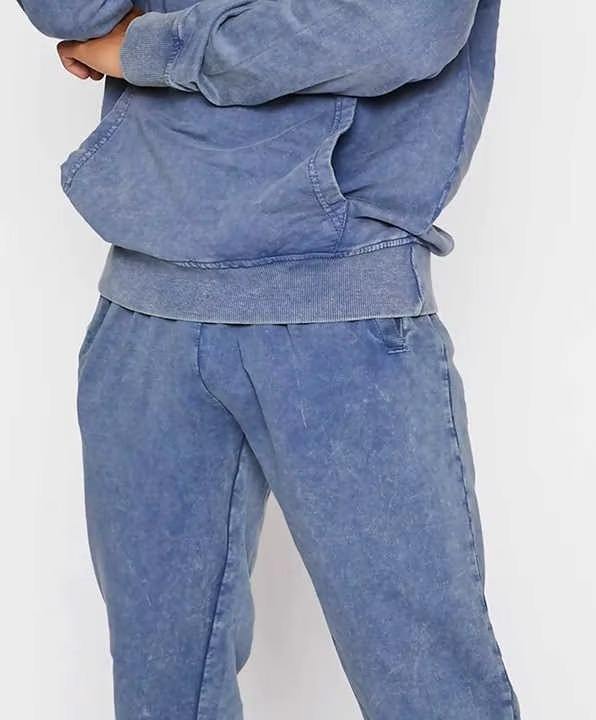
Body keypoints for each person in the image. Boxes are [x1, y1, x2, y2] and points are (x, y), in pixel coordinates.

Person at [18, 2, 520, 718]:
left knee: (429, 687)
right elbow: (72, 11)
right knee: (162, 695)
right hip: (145, 309)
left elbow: (397, 29)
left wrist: (149, 50)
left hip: (340, 315)